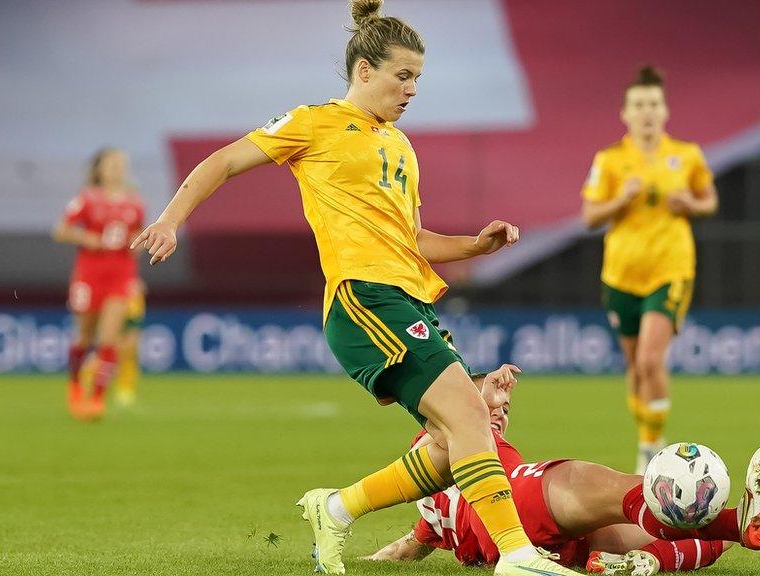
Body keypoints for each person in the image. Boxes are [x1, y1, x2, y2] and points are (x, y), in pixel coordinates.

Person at [131, 2, 577, 574]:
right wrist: (170, 218)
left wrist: (476, 246)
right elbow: (223, 161)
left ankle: (336, 510)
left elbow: (414, 239)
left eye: (418, 77)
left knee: (447, 450)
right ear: (364, 70)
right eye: (403, 74)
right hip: (364, 298)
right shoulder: (314, 123)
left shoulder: (400, 147)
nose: (413, 88)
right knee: (470, 413)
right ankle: (517, 556)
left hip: (406, 300)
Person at [367, 364, 760, 575]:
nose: (499, 412)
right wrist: (480, 395)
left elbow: (409, 546)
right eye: (492, 404)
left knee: (709, 535)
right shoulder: (446, 434)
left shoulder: (433, 507)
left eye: (506, 410)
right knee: (627, 492)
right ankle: (705, 508)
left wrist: (370, 561)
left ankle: (669, 552)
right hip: (521, 502)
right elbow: (448, 411)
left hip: (551, 547)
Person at [580, 66, 719, 473]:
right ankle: (648, 436)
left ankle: (650, 448)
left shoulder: (687, 155)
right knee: (633, 366)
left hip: (671, 268)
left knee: (649, 360)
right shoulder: (609, 160)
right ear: (625, 113)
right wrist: (619, 200)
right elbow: (590, 216)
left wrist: (690, 205)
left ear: (665, 110)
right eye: (639, 105)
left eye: (653, 104)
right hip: (621, 275)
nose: (647, 112)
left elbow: (708, 200)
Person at [53, 147, 145, 421]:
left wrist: (137, 245)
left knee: (109, 339)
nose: (118, 168)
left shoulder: (135, 203)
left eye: (121, 163)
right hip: (89, 275)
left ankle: (96, 399)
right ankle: (75, 387)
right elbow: (61, 230)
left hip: (121, 275)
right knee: (84, 336)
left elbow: (136, 238)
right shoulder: (86, 199)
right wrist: (86, 239)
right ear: (100, 169)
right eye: (112, 163)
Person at [80, 277, 146, 406]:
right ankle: (88, 377)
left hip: (132, 298)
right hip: (116, 293)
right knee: (110, 346)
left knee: (131, 348)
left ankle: (126, 389)